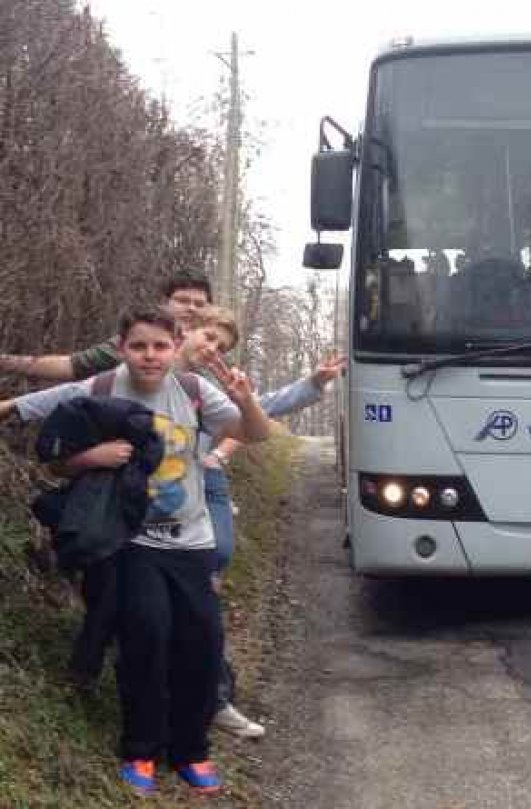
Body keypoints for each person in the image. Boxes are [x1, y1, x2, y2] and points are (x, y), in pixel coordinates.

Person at [0, 305, 271, 795]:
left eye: (160, 346)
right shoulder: (101, 388)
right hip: (133, 540)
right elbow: (40, 420)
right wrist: (91, 457)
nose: (150, 356)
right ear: (122, 347)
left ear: (175, 347)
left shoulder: (193, 391)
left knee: (202, 645)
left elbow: (256, 434)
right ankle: (141, 750)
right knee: (147, 637)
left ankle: (191, 751)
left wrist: (247, 403)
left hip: (193, 539)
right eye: (139, 346)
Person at [178, 306, 345, 739]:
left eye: (221, 345)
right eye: (209, 337)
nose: (212, 349)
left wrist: (312, 384)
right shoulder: (140, 363)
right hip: (155, 495)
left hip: (199, 483)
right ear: (184, 326)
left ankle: (212, 697)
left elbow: (258, 411)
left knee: (211, 568)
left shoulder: (212, 382)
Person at [0, 272, 213, 380]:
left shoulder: (215, 351)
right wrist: (9, 363)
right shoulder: (139, 340)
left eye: (199, 304)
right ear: (164, 302)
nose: (192, 309)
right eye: (183, 301)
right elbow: (73, 365)